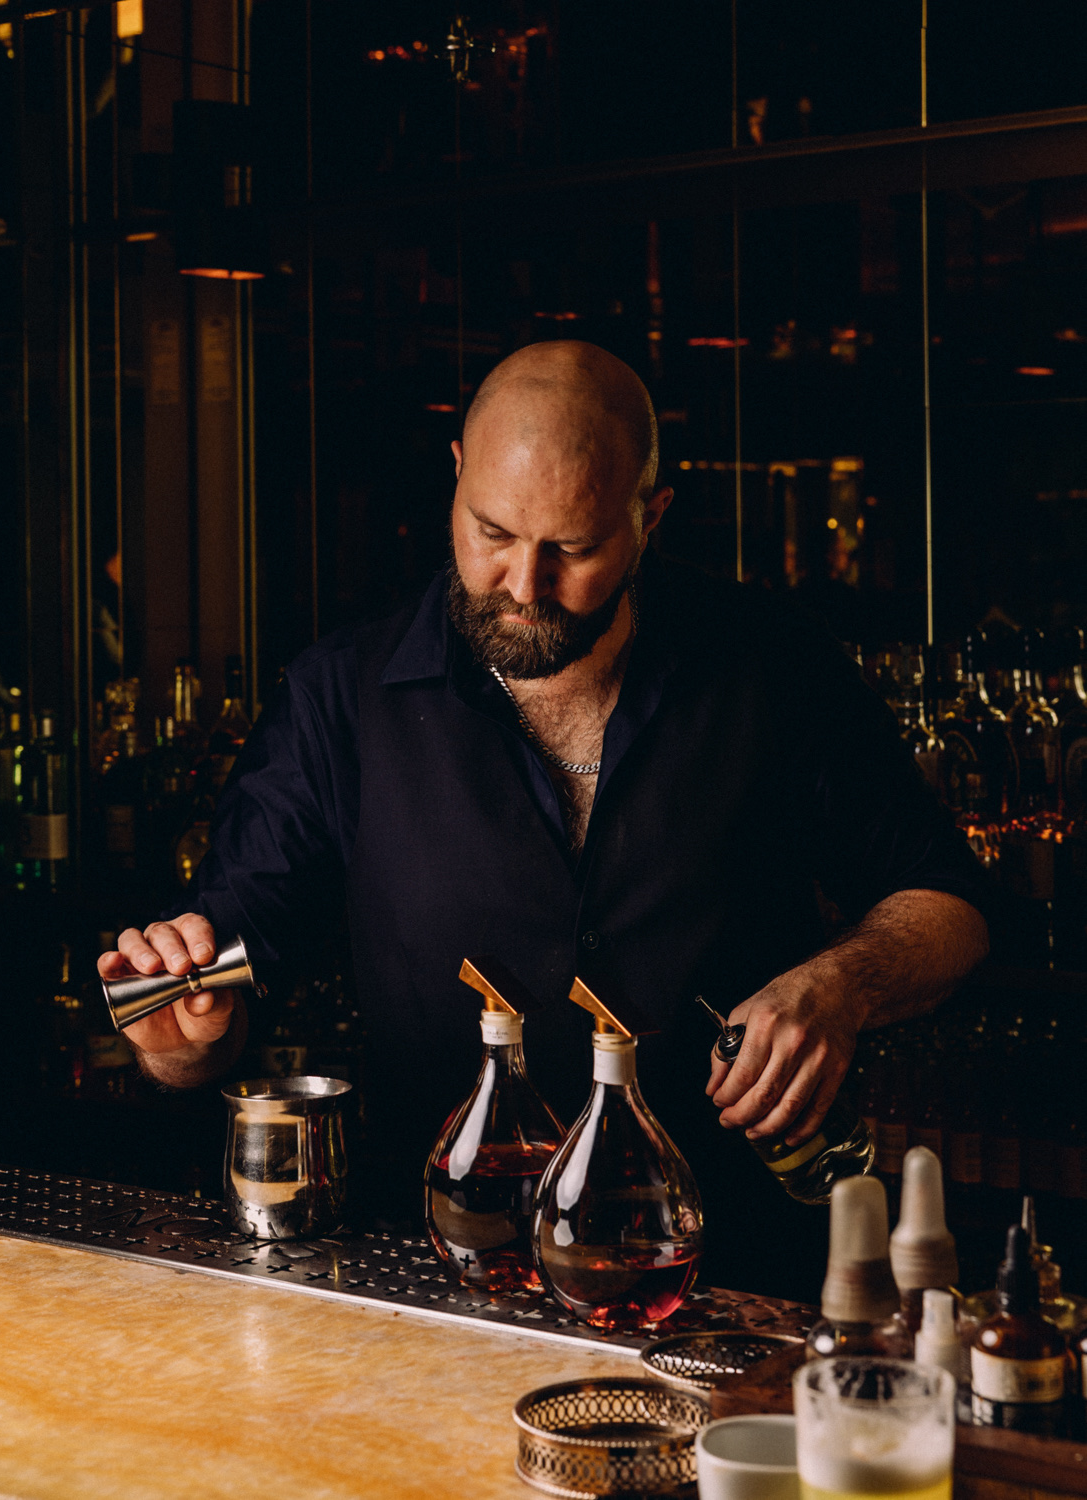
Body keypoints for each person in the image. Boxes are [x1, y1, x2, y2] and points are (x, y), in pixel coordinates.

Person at [98, 341, 988, 1297]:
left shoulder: (772, 667)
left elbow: (953, 908)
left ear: (650, 518)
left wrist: (840, 987)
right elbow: (223, 985)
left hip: (730, 1282)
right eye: (491, 531)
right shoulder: (339, 700)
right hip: (442, 1277)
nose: (522, 584)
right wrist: (182, 1033)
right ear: (455, 477)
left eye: (571, 548)